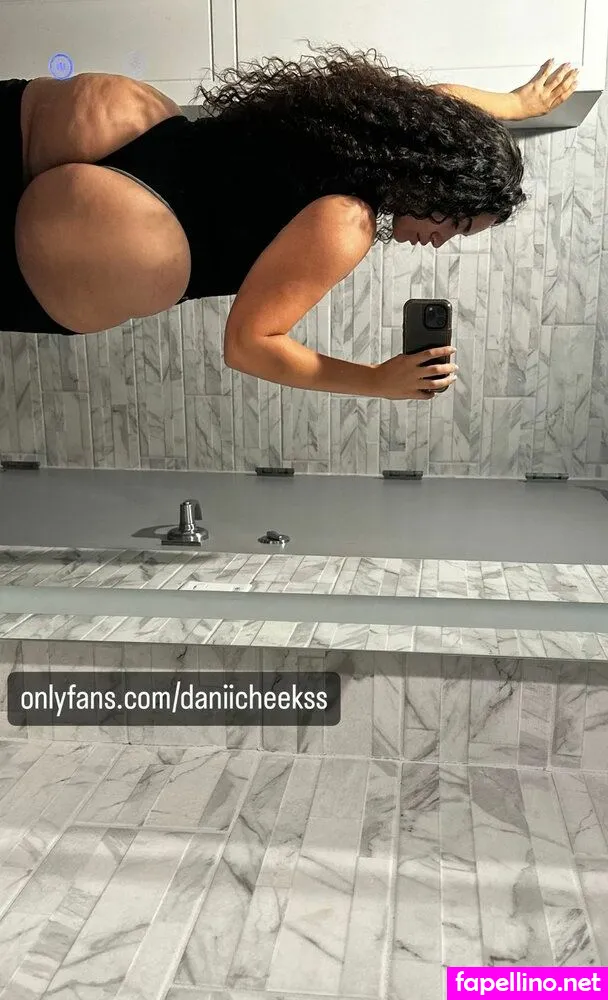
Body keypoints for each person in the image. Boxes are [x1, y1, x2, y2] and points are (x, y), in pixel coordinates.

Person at [3, 48, 577, 400]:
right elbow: (248, 345)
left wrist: (515, 104)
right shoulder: (346, 220)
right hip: (119, 234)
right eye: (458, 223)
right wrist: (376, 381)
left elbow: (440, 103)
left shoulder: (368, 124)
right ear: (438, 181)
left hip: (115, 121)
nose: (441, 241)